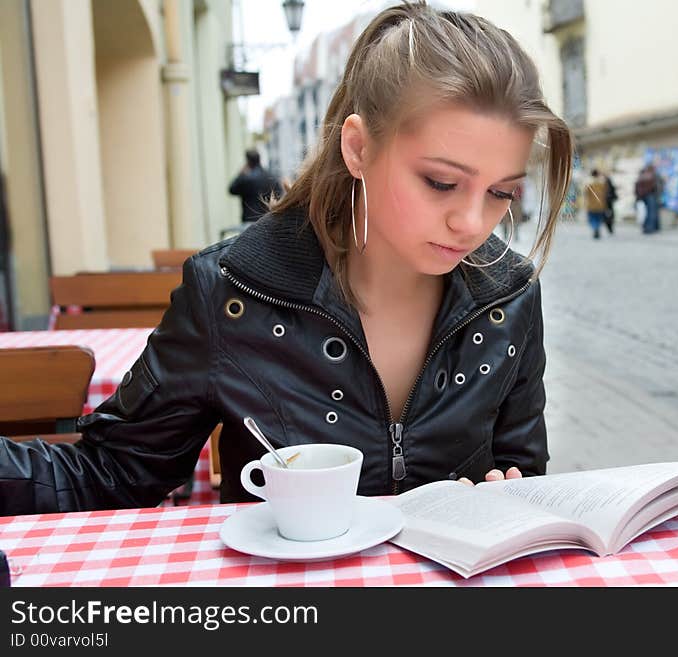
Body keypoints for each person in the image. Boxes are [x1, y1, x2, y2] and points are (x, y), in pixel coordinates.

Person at [0, 2, 573, 515]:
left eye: (503, 192)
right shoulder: (230, 293)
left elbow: (523, 471)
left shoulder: (511, 296)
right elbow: (114, 474)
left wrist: (510, 495)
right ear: (358, 147)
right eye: (441, 182)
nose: (472, 223)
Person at [228, 149, 282, 223]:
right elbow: (279, 194)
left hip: (249, 220)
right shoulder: (270, 176)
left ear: (248, 161)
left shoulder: (246, 178)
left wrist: (240, 174)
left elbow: (232, 190)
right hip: (267, 219)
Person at [635, 163, 660, 234]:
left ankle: (647, 227)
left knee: (647, 213)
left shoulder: (642, 175)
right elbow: (655, 187)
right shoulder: (650, 176)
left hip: (645, 196)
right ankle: (649, 228)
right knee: (651, 213)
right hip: (650, 196)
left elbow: (638, 187)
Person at [585, 169, 608, 239]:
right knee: (599, 218)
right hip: (600, 204)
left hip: (591, 205)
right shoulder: (602, 183)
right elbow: (605, 193)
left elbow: (586, 194)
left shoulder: (589, 183)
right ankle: (597, 227)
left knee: (592, 218)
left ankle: (595, 228)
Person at [603, 170, 618, 235]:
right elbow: (613, 192)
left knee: (608, 216)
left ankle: (609, 227)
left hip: (607, 202)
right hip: (609, 202)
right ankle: (610, 227)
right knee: (609, 215)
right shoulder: (608, 182)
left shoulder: (605, 182)